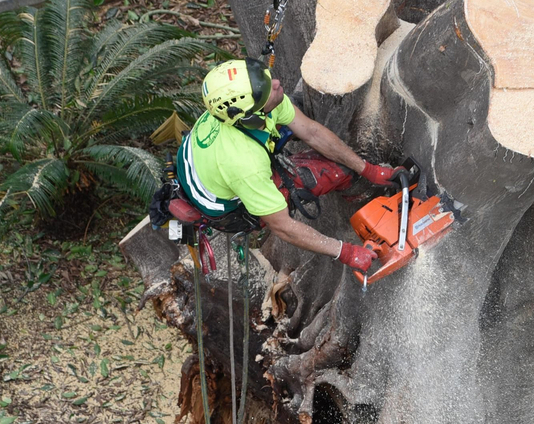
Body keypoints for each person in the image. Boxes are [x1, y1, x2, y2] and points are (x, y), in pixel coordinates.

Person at [170, 58, 402, 272]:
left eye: (266, 79)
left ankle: (355, 176)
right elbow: (282, 227)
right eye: (266, 89)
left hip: (215, 166)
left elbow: (311, 131)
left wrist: (368, 169)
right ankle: (356, 194)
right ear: (251, 115)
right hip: (228, 207)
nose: (276, 83)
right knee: (336, 171)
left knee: (292, 107)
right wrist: (346, 252)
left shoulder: (245, 108)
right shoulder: (246, 164)